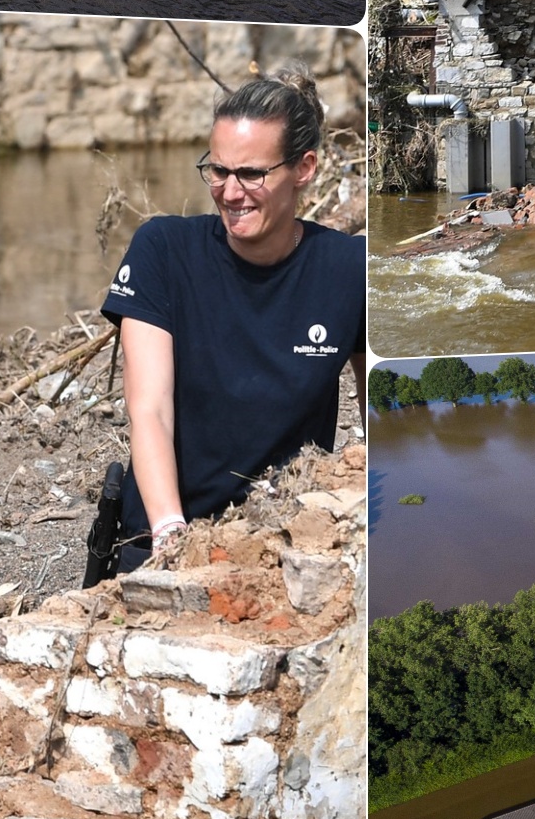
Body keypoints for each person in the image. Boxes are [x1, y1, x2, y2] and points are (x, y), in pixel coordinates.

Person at [92, 71, 365, 578]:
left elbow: (385, 423)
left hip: (281, 547)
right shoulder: (163, 251)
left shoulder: (351, 270)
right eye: (218, 171)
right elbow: (149, 410)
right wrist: (173, 539)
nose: (231, 193)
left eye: (252, 174)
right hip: (160, 537)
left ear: (304, 168)